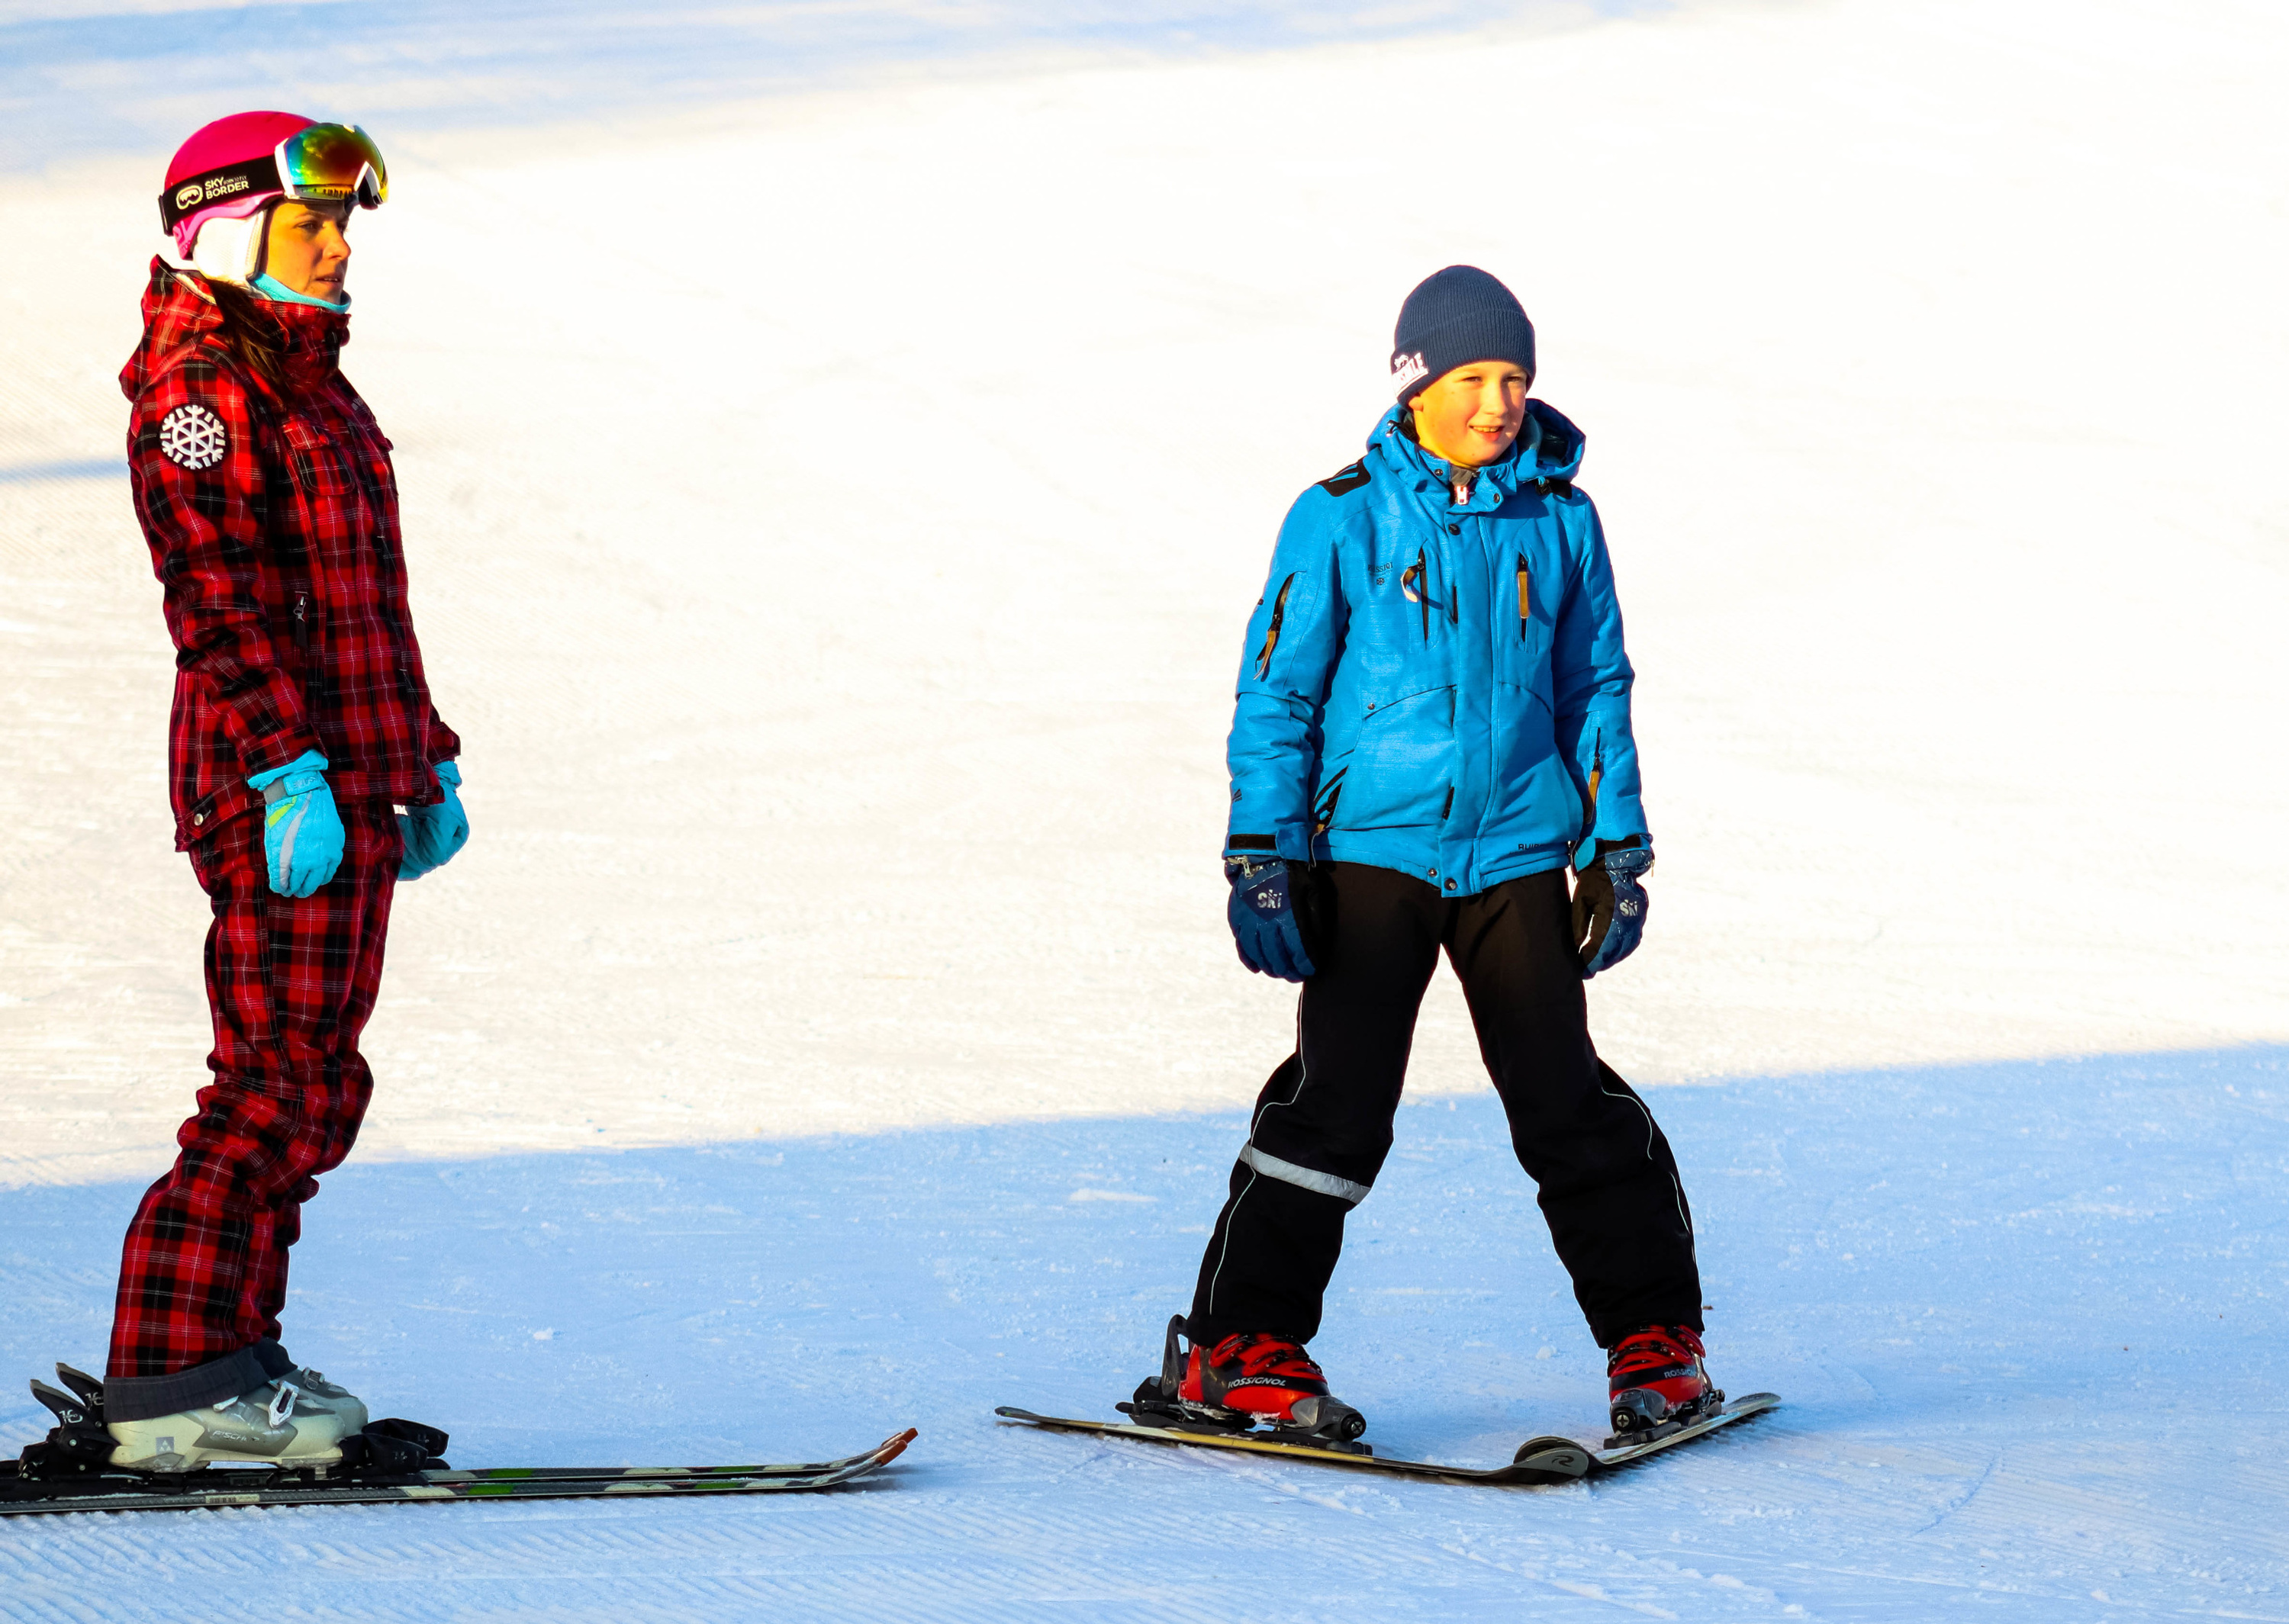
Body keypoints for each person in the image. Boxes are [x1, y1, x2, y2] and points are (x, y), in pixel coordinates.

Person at [1144, 266, 1711, 1446]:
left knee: (1567, 1102)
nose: (1500, 401)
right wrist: (1264, 850)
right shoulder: (1341, 514)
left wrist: (1619, 851)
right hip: (1371, 855)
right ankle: (1237, 1346)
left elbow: (1593, 686)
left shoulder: (1562, 517)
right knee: (1337, 1107)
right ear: (1416, 383)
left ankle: (1655, 1341)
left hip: (1513, 852)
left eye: (1515, 378)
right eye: (1474, 378)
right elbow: (1279, 691)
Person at [101, 111, 468, 1471]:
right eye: (309, 222)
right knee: (264, 1086)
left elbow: (363, 596)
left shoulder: (310, 379)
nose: (334, 244)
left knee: (315, 1090)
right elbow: (218, 600)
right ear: (224, 228)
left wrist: (415, 750)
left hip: (346, 780)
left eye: (342, 224)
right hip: (273, 790)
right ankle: (166, 1380)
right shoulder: (202, 387)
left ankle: (233, 1358)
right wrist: (285, 766)